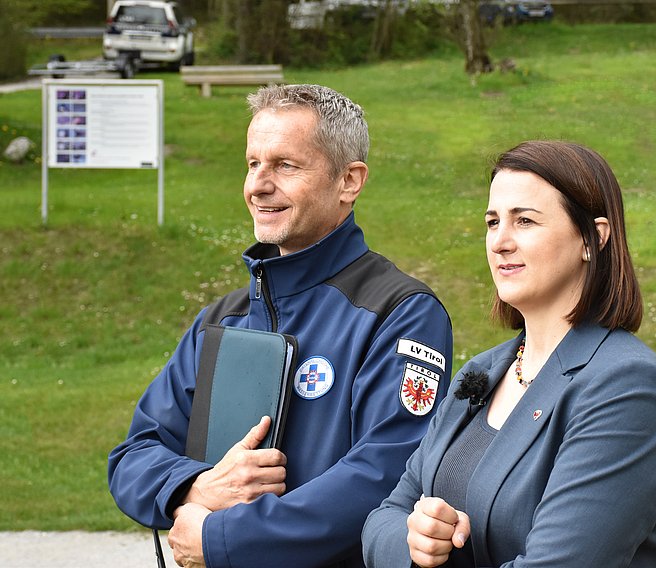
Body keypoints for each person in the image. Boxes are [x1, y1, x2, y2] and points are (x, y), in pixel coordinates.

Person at [108, 84, 453, 568]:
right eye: (253, 163)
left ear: (349, 181)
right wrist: (195, 486)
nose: (258, 185)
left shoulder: (401, 311)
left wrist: (223, 538)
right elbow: (133, 456)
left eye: (285, 166)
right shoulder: (221, 320)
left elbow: (384, 475)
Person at [362, 140, 656, 567]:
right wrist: (415, 542)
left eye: (525, 221)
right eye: (492, 222)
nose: (500, 242)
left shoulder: (627, 388)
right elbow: (383, 518)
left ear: (594, 238)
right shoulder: (481, 372)